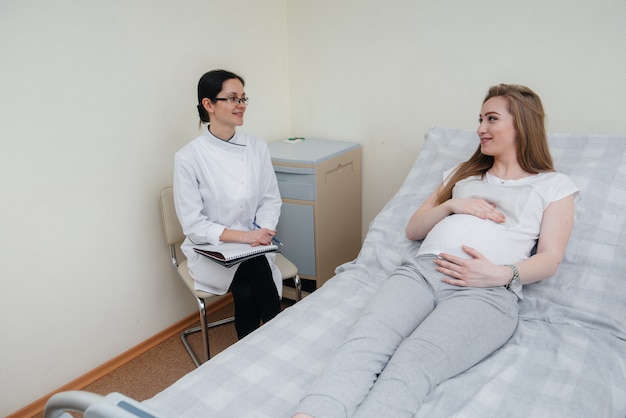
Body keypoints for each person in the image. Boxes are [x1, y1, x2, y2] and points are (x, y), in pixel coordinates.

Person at [293, 84, 578, 418]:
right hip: (421, 272)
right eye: (480, 119)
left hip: (484, 292)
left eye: (491, 119)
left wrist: (499, 274)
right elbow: (414, 228)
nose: (480, 128)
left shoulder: (553, 185)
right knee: (365, 343)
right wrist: (455, 204)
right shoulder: (462, 174)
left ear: (522, 125)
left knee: (412, 364)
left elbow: (550, 259)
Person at [173, 69, 282, 339]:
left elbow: (270, 198)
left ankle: (256, 348)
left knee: (248, 285)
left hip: (255, 242)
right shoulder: (189, 158)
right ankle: (279, 338)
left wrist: (264, 231)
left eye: (243, 98)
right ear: (208, 105)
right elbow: (194, 225)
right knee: (253, 282)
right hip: (213, 248)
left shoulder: (257, 147)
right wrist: (246, 237)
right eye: (232, 98)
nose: (241, 105)